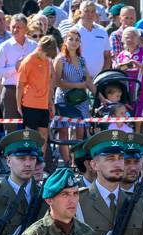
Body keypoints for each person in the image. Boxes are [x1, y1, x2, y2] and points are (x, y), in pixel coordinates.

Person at [54, 28, 95, 165]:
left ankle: (77, 162)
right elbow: (57, 82)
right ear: (65, 41)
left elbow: (88, 80)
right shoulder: (60, 59)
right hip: (64, 98)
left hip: (81, 100)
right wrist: (78, 85)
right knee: (64, 132)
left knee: (81, 130)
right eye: (71, 39)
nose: (74, 42)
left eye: (77, 40)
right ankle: (66, 163)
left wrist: (100, 97)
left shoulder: (82, 60)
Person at [0, 14, 35, 132]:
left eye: (19, 27)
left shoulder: (34, 46)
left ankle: (29, 149)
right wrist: (15, 68)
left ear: (26, 29)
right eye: (13, 27)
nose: (15, 30)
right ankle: (11, 150)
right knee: (10, 127)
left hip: (30, 90)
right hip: (10, 90)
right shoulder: (4, 47)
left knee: (31, 126)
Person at [16, 36, 56, 159]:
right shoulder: (28, 61)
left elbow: (48, 84)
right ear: (40, 48)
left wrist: (51, 103)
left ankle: (40, 161)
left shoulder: (47, 62)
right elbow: (20, 85)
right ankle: (29, 160)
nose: (47, 57)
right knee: (30, 135)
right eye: (46, 54)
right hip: (29, 104)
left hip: (43, 104)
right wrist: (19, 105)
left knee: (43, 134)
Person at [115, 27, 143, 129]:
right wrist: (122, 66)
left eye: (133, 37)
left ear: (138, 39)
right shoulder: (121, 56)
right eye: (127, 37)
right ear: (123, 40)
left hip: (142, 93)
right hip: (125, 94)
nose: (130, 40)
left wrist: (139, 65)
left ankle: (137, 139)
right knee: (125, 118)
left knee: (138, 118)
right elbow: (115, 70)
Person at [74, 1, 111, 79]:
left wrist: (102, 75)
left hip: (99, 80)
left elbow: (107, 56)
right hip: (78, 79)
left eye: (92, 11)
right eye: (86, 11)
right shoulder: (74, 31)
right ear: (80, 13)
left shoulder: (102, 31)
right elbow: (69, 56)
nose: (90, 14)